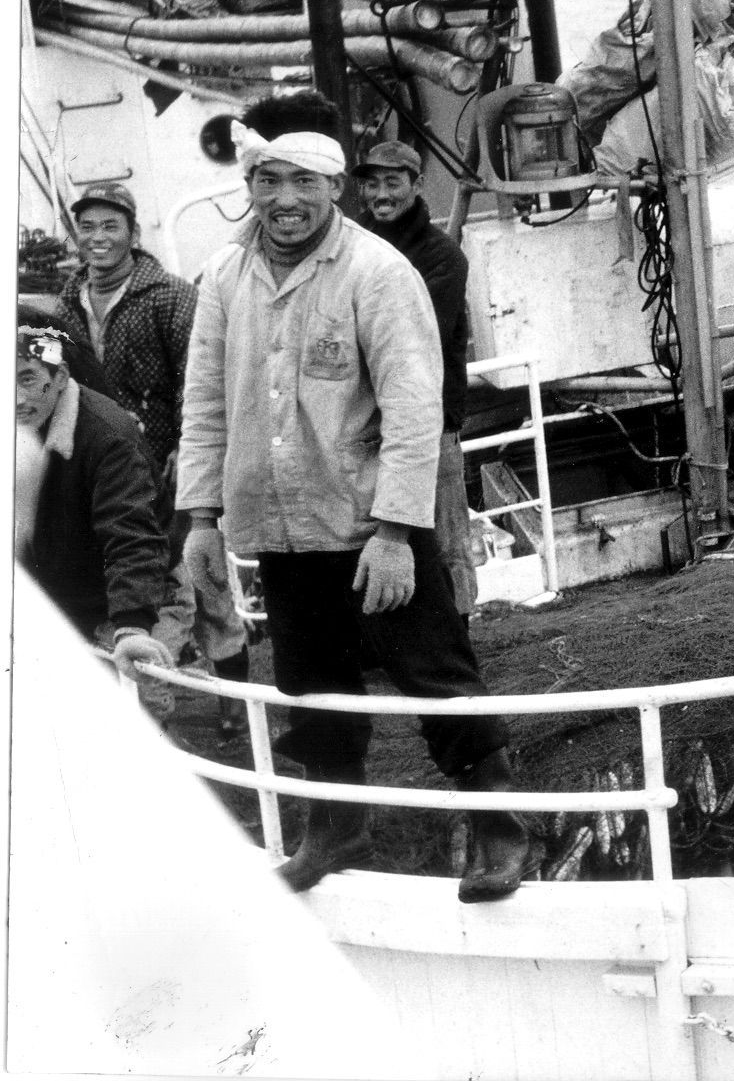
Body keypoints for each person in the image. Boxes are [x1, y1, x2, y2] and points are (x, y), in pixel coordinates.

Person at [175, 108, 530, 901]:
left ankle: (500, 828)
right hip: (280, 523)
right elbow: (203, 401)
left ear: (337, 188)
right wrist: (200, 517)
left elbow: (412, 406)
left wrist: (400, 533)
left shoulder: (376, 272)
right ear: (250, 189)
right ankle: (336, 827)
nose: (285, 198)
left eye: (304, 181)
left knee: (434, 673)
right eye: (269, 181)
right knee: (311, 683)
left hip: (371, 525)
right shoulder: (225, 278)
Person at [53, 183, 251, 735]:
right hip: (104, 463)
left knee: (198, 579)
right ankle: (148, 691)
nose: (98, 238)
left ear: (133, 234)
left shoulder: (167, 295)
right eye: (87, 227)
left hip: (167, 463)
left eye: (110, 226)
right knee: (136, 570)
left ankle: (235, 696)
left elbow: (200, 378)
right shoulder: (68, 302)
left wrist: (189, 453)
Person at [15, 326, 177, 715]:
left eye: (28, 377)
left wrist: (132, 624)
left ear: (61, 377)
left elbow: (133, 535)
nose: (16, 397)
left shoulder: (109, 436)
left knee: (135, 711)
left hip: (138, 585)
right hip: (55, 589)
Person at [353, 141, 479, 615]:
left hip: (430, 423)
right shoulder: (349, 245)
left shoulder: (442, 257)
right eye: (371, 183)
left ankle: (461, 633)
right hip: (363, 424)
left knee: (446, 540)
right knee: (370, 538)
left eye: (392, 181)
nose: (381, 193)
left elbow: (413, 343)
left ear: (416, 184)